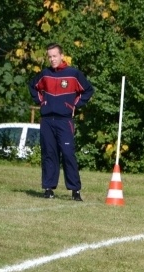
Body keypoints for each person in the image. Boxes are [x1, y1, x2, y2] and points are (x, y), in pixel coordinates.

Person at [28, 43, 95, 201]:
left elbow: (88, 90)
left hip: (64, 120)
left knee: (68, 154)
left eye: (55, 56)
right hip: (47, 121)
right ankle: (48, 188)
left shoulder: (73, 74)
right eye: (49, 56)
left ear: (61, 56)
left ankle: (75, 190)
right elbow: (33, 86)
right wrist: (42, 102)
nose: (52, 59)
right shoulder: (45, 74)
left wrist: (75, 105)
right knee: (49, 154)